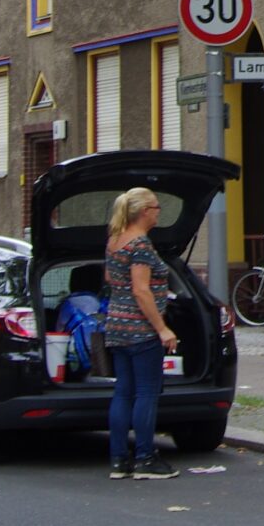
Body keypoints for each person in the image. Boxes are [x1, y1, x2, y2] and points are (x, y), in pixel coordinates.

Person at [104, 187, 181, 480]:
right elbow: (141, 290)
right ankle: (145, 458)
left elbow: (110, 277)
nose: (159, 212)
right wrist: (162, 329)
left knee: (123, 392)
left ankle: (118, 460)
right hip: (141, 330)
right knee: (147, 393)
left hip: (116, 327)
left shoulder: (114, 240)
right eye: (157, 207)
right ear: (145, 212)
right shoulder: (140, 245)